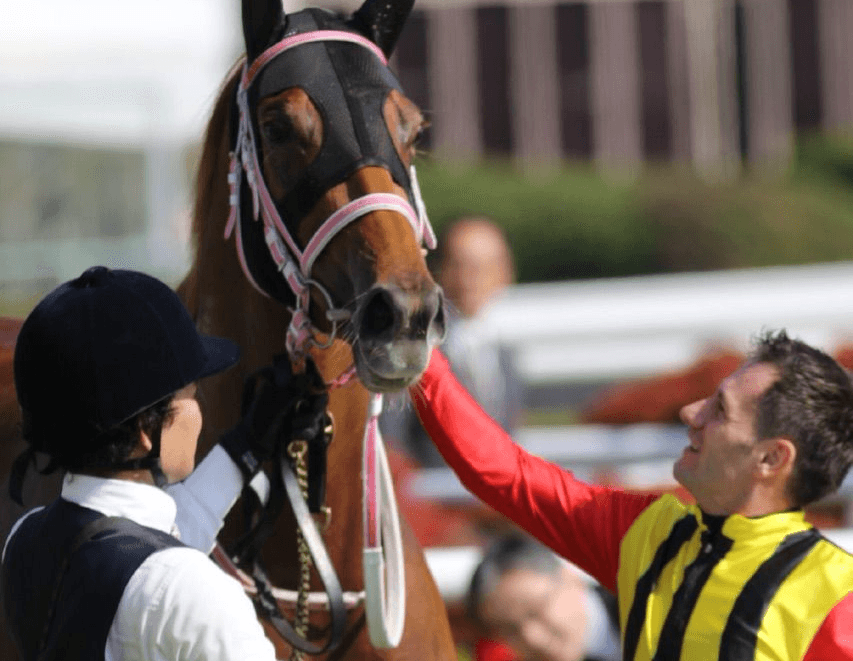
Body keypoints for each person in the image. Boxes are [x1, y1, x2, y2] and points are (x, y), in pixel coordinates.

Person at [410, 329, 853, 659]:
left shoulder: (837, 598)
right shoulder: (648, 529)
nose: (690, 412)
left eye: (720, 411)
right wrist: (417, 353)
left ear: (772, 459)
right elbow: (501, 473)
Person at [2, 266, 327, 661]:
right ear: (145, 429)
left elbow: (136, 544)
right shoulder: (194, 591)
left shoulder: (23, 541)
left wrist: (249, 444)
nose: (200, 412)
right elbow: (161, 574)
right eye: (191, 395)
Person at [383, 215, 523, 468]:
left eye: (486, 266)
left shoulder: (506, 355)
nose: (472, 278)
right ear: (437, 270)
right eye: (461, 265)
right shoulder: (411, 351)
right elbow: (392, 445)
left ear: (506, 272)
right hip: (430, 497)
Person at [467, 533, 620, 661]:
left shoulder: (639, 602)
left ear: (570, 578)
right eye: (510, 630)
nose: (533, 638)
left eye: (534, 611)